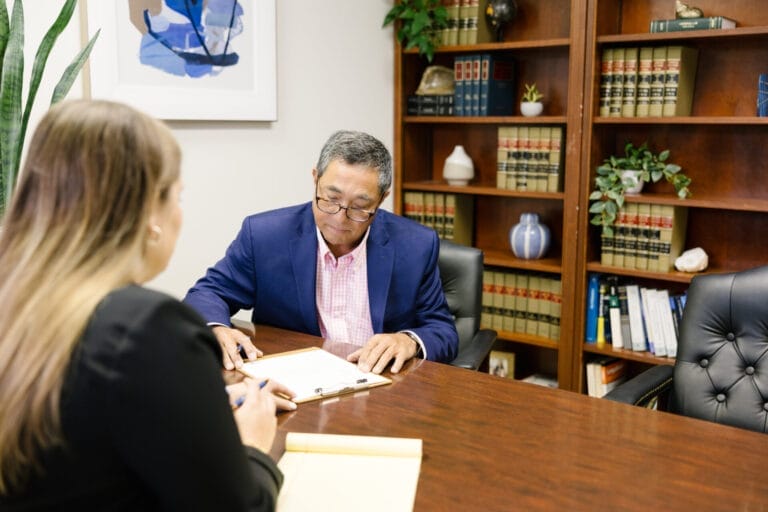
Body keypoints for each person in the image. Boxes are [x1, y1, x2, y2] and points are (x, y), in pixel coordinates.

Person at [0, 99, 295, 511]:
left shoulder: (19, 303)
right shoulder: (146, 326)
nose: (180, 214)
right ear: (149, 212)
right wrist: (253, 444)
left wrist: (195, 407)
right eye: (177, 197)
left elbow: (86, 424)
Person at [184, 130, 459, 374]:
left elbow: (442, 330)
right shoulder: (265, 236)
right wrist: (217, 329)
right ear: (315, 178)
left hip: (381, 386)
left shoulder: (416, 245)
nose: (340, 219)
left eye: (360, 206)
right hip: (297, 383)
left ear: (382, 197)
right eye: (330, 199)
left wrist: (408, 340)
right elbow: (208, 293)